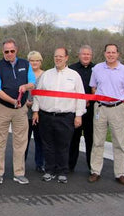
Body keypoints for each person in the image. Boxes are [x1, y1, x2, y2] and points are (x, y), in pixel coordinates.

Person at [32, 47, 86, 184]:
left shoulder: (74, 76)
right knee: (48, 145)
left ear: (67, 58)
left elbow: (81, 97)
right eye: (56, 56)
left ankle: (62, 171)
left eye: (61, 56)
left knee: (63, 145)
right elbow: (38, 94)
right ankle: (49, 170)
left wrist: (79, 115)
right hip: (46, 115)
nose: (58, 59)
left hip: (66, 116)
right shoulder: (46, 75)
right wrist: (35, 111)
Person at [0, 38, 35, 185]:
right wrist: (12, 101)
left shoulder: (25, 64)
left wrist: (25, 86)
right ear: (3, 52)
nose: (9, 54)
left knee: (21, 142)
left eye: (12, 51)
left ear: (17, 50)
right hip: (2, 108)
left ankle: (19, 173)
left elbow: (33, 83)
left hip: (21, 110)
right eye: (6, 51)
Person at [87, 44, 124, 186]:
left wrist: (115, 100)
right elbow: (93, 88)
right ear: (104, 53)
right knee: (98, 141)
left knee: (118, 142)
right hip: (100, 108)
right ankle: (95, 171)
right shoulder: (97, 69)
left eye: (113, 52)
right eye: (108, 52)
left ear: (118, 54)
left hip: (117, 109)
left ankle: (120, 173)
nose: (111, 55)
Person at [68, 45, 95, 171]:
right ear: (79, 55)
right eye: (83, 54)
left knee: (91, 139)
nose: (86, 56)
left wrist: (90, 98)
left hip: (92, 110)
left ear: (91, 56)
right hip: (75, 109)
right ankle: (70, 165)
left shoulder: (97, 69)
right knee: (74, 139)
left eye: (88, 54)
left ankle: (92, 167)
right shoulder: (71, 69)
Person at [25, 51, 45, 173]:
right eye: (32, 60)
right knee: (24, 140)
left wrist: (38, 105)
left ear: (40, 62)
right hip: (26, 111)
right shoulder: (24, 74)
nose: (34, 63)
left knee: (40, 139)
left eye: (37, 60)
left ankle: (40, 163)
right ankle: (21, 163)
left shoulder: (46, 75)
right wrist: (25, 102)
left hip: (40, 112)